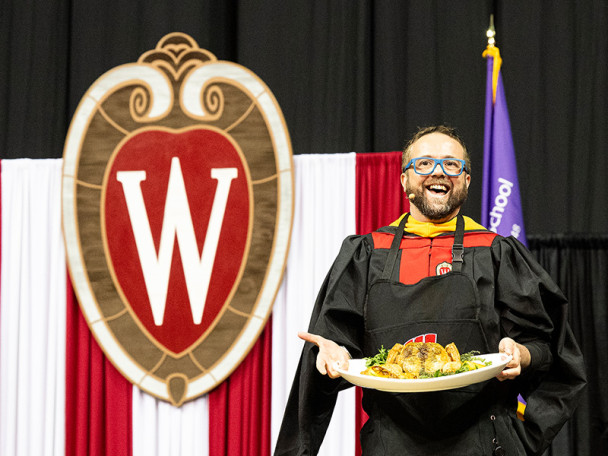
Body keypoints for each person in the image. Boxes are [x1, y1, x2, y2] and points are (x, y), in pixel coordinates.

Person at [274, 126, 586, 455]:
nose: (438, 171)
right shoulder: (366, 255)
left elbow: (553, 355)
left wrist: (524, 357)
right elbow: (327, 363)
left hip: (483, 444)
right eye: (424, 163)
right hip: (390, 446)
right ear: (404, 179)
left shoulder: (497, 253)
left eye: (452, 164)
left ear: (466, 180)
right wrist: (334, 359)